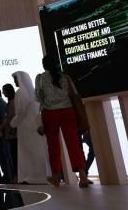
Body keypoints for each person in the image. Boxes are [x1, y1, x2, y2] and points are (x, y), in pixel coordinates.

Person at [35, 55, 90, 188]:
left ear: (44, 65)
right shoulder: (65, 77)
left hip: (50, 113)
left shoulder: (40, 78)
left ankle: (56, 176)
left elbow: (38, 97)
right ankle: (83, 176)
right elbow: (74, 93)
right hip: (68, 112)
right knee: (73, 143)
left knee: (53, 146)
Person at [10, 71, 47, 184]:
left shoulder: (20, 92)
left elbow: (20, 112)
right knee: (38, 152)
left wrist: (13, 123)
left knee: (28, 154)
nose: (15, 81)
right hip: (35, 127)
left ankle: (30, 176)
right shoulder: (34, 92)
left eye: (15, 79)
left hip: (25, 128)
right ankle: (42, 175)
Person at [0, 83, 18, 183]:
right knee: (13, 154)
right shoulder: (10, 102)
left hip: (12, 132)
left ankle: (16, 176)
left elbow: (9, 117)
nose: (3, 92)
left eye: (4, 90)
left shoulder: (12, 102)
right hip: (11, 132)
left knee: (14, 155)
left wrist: (0, 127)